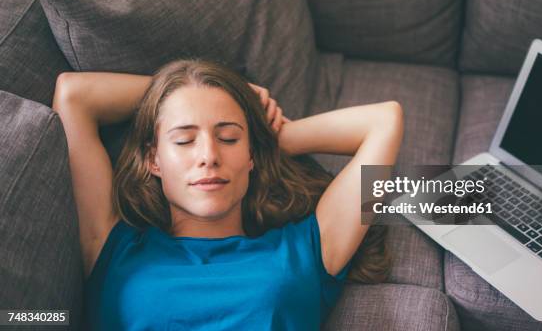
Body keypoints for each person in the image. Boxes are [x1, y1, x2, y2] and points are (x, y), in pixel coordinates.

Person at [52, 59, 404, 330]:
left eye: (230, 138)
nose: (209, 155)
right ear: (154, 160)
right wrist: (180, 90)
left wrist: (271, 139)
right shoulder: (112, 248)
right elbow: (74, 95)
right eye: (184, 140)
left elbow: (384, 121)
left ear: (250, 156)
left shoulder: (305, 250)